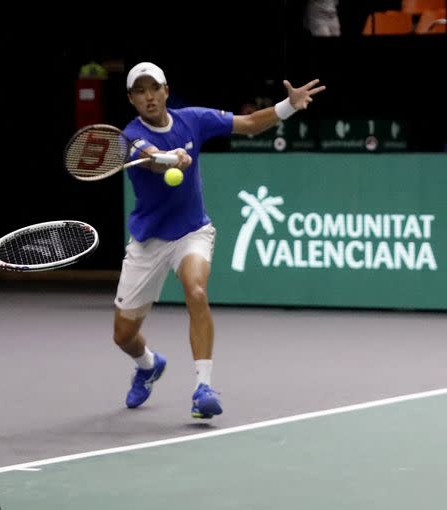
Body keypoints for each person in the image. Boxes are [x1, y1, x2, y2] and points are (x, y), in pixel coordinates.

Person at [116, 62, 325, 417]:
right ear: (131, 99)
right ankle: (149, 365)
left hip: (191, 231)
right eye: (140, 91)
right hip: (148, 241)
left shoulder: (193, 119)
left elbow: (247, 125)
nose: (149, 96)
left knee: (196, 290)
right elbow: (149, 159)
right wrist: (169, 158)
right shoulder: (128, 135)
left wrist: (288, 105)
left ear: (167, 90)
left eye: (155, 88)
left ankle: (203, 388)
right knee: (123, 335)